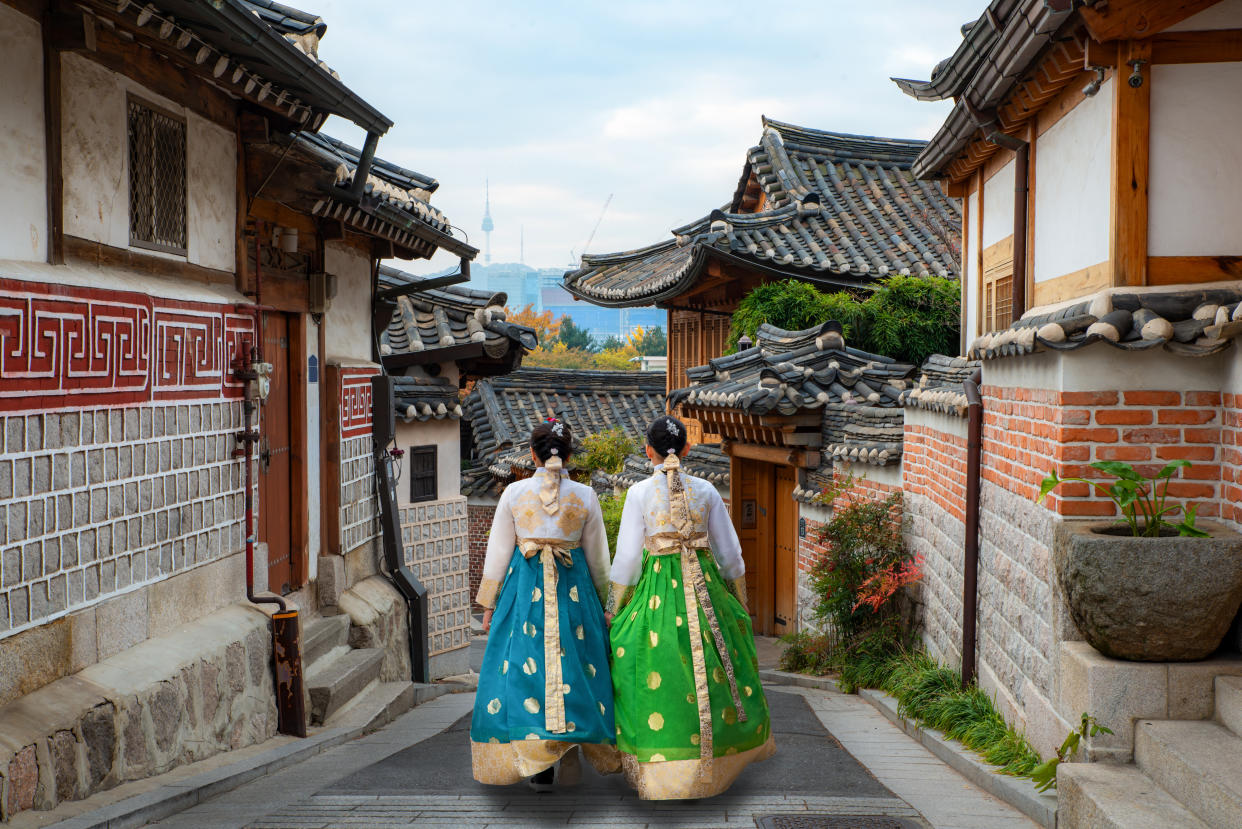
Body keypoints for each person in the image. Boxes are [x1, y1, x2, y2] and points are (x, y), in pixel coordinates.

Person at [607, 414, 775, 799]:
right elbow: (730, 553)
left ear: (648, 450)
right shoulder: (707, 491)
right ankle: (712, 769)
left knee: (650, 667)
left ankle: (662, 769)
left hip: (656, 595)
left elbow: (628, 559)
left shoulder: (638, 494)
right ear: (686, 448)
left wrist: (617, 608)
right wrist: (739, 601)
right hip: (706, 590)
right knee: (717, 663)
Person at [470, 417, 620, 791]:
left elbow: (499, 553)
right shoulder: (585, 496)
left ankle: (539, 759)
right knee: (577, 669)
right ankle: (568, 751)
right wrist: (611, 605)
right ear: (569, 455)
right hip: (575, 592)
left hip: (524, 592)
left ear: (533, 454)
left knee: (525, 672)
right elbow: (600, 560)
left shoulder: (513, 494)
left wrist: (488, 606)